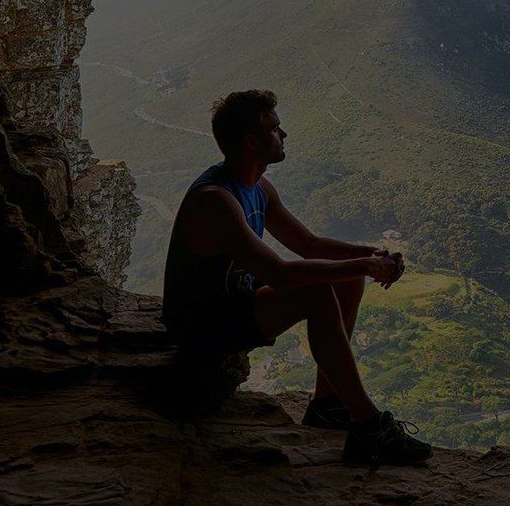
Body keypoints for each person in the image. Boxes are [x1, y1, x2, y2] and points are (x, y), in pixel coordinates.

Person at [161, 88, 432, 465]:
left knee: (346, 280)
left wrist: (371, 256)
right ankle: (368, 427)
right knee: (317, 294)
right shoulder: (216, 200)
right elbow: (281, 275)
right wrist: (366, 266)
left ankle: (328, 406)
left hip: (234, 303)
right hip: (203, 325)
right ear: (251, 142)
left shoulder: (257, 187)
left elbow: (308, 243)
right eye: (275, 129)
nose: (283, 134)